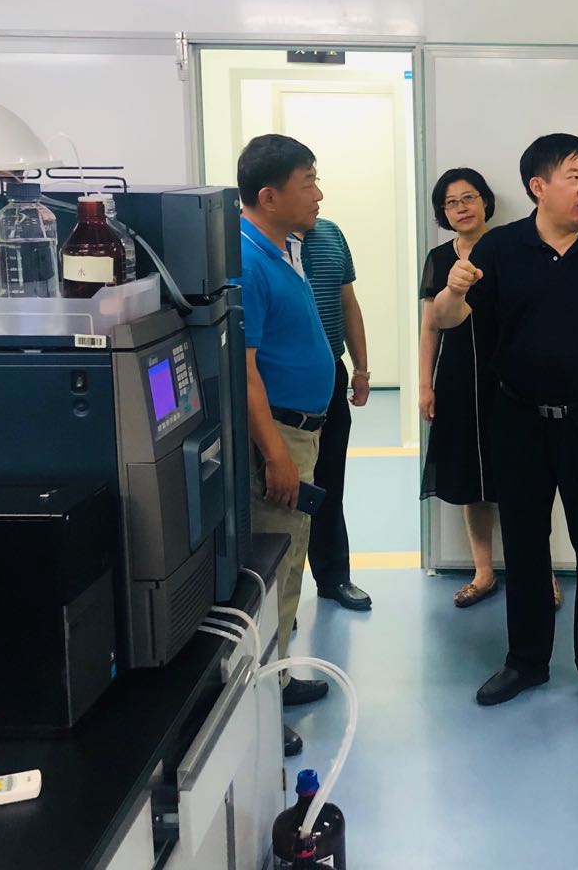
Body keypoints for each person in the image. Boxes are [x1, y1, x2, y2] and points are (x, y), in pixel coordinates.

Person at [432, 133, 578, 722]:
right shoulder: (501, 248)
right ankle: (526, 661)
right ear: (538, 187)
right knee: (525, 542)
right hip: (518, 417)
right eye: (574, 176)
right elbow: (447, 318)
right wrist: (452, 290)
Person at [232, 133, 335, 758]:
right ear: (269, 197)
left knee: (291, 563)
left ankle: (280, 677)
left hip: (301, 429)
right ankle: (261, 707)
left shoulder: (282, 247)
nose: (318, 194)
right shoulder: (248, 260)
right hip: (280, 435)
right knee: (273, 574)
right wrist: (274, 454)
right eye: (308, 183)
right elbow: (244, 371)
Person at [419, 167, 561, 610]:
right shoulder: (439, 258)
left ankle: (540, 574)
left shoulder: (511, 248)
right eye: (451, 203)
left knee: (525, 478)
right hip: (458, 378)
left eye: (468, 198)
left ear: (485, 202)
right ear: (443, 213)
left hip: (512, 378)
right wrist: (425, 384)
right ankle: (483, 572)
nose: (461, 208)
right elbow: (431, 327)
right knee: (470, 475)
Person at [300, 215, 373, 612]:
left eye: (317, 185)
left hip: (331, 372)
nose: (317, 195)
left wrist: (361, 369)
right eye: (307, 186)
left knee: (329, 480)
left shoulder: (330, 234)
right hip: (278, 385)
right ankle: (278, 595)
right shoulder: (254, 245)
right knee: (277, 490)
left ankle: (333, 578)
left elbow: (348, 302)